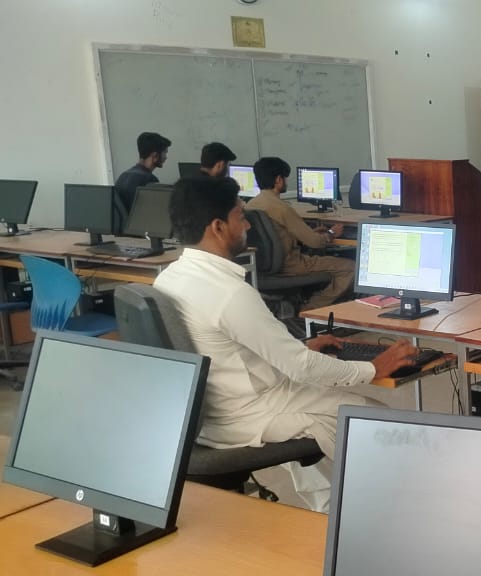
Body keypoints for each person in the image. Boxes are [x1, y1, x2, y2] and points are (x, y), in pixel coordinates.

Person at [154, 177, 418, 512]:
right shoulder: (229, 294)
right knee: (375, 418)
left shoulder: (169, 277)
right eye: (240, 216)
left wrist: (300, 345)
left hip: (211, 417)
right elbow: (300, 368)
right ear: (218, 227)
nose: (247, 223)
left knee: (325, 411)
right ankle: (389, 515)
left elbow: (230, 349)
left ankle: (327, 508)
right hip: (246, 415)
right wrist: (373, 367)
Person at [244, 157, 355, 309]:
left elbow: (274, 236)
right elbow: (315, 242)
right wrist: (330, 233)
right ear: (278, 180)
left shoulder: (251, 205)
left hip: (264, 267)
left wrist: (310, 232)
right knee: (351, 267)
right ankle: (311, 309)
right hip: (292, 265)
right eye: (285, 178)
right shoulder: (282, 208)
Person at [113, 131, 171, 214]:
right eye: (165, 153)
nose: (166, 157)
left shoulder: (124, 175)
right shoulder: (148, 180)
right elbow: (154, 214)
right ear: (155, 156)